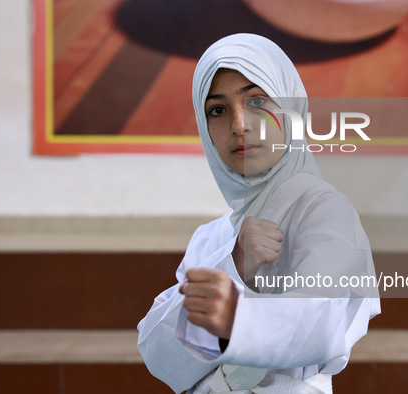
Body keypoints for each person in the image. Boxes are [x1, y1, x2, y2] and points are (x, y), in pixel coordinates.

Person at [137, 33, 380, 393]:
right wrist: (232, 264)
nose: (239, 124)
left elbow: (321, 325)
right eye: (217, 110)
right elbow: (159, 356)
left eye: (258, 101)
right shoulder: (214, 238)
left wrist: (233, 319)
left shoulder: (325, 212)